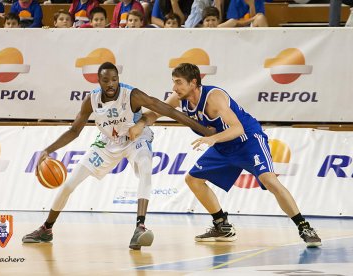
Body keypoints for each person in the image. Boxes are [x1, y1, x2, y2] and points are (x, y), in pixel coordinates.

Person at [22, 62, 213, 250]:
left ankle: (140, 226)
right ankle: (46, 229)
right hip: (107, 142)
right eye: (106, 80)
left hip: (134, 137)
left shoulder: (132, 95)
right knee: (69, 184)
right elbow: (74, 131)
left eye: (114, 79)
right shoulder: (91, 100)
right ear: (99, 81)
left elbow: (168, 110)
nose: (111, 84)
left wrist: (203, 129)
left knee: (146, 166)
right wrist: (48, 150)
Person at [132, 63, 322, 247]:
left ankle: (304, 227)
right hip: (223, 144)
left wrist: (213, 139)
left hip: (247, 141)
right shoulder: (179, 97)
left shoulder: (213, 98)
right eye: (174, 82)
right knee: (193, 179)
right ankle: (221, 225)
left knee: (269, 180)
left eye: (178, 82)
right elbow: (156, 112)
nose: (174, 87)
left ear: (193, 82)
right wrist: (139, 124)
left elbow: (237, 128)